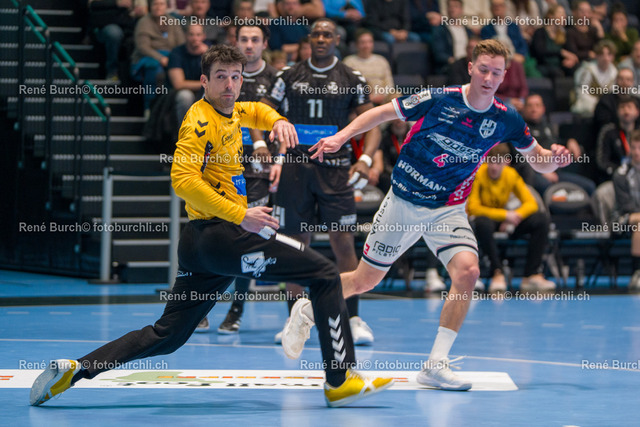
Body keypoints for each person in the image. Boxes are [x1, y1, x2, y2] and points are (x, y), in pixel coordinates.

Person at [29, 44, 393, 408]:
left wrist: (277, 121)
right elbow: (183, 180)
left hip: (202, 245)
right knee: (326, 274)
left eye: (236, 77)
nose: (230, 85)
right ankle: (340, 380)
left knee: (168, 334)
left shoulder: (233, 110)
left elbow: (256, 110)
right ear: (204, 81)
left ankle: (76, 370)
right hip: (224, 235)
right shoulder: (199, 121)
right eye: (221, 77)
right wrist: (241, 215)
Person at [281, 39, 572, 390]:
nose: (488, 78)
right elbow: (382, 113)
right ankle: (306, 310)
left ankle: (435, 365)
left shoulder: (506, 118)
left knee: (468, 272)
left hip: (447, 209)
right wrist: (342, 137)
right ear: (471, 67)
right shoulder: (440, 98)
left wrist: (555, 159)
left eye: (496, 73)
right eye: (483, 69)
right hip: (404, 201)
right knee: (364, 280)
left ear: (504, 76)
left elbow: (539, 160)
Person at [262, 18, 381, 346]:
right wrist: (262, 142)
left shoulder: (351, 77)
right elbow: (262, 112)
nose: (321, 38)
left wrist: (366, 159)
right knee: (293, 244)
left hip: (336, 170)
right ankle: (294, 319)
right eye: (316, 33)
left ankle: (352, 318)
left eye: (327, 34)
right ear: (309, 38)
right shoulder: (288, 75)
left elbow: (373, 123)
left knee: (343, 243)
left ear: (337, 40)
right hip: (295, 169)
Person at [210, 24, 279, 334]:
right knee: (215, 235)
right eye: (243, 39)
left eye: (255, 39)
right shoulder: (221, 74)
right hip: (223, 168)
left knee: (248, 239)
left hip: (258, 171)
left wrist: (279, 160)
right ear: (235, 42)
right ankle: (202, 304)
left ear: (264, 43)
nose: (249, 44)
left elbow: (284, 123)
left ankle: (236, 310)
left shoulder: (277, 79)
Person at [467, 143, 555, 293]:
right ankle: (497, 273)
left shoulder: (511, 175)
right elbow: (473, 208)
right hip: (488, 219)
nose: (494, 167)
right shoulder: (479, 174)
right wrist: (505, 215)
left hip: (508, 220)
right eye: (491, 162)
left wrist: (516, 216)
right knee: (482, 222)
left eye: (498, 162)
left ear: (506, 162)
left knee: (541, 219)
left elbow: (531, 203)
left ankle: (531, 275)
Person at [518, 94, 595, 195]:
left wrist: (569, 141)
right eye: (530, 105)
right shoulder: (520, 129)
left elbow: (555, 142)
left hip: (555, 171)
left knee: (589, 186)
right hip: (534, 172)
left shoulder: (547, 125)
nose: (534, 109)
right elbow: (519, 157)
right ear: (523, 109)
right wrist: (542, 170)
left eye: (537, 105)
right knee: (547, 187)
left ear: (543, 109)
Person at [131, 0, 186, 113]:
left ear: (166, 6)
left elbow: (181, 44)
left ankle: (170, 108)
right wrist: (160, 58)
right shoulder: (143, 22)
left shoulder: (173, 21)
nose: (158, 7)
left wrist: (174, 58)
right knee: (154, 68)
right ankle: (149, 106)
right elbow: (143, 47)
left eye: (161, 4)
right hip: (148, 57)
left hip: (171, 56)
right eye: (155, 4)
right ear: (150, 6)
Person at [613, 129, 640, 291]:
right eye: (634, 147)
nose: (637, 152)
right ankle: (637, 272)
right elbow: (627, 208)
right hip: (622, 220)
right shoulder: (621, 174)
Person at [168, 23, 209, 125]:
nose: (195, 38)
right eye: (191, 34)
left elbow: (216, 78)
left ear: (204, 36)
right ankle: (185, 132)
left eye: (198, 35)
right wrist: (206, 84)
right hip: (181, 92)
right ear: (185, 35)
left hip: (205, 90)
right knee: (185, 96)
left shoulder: (210, 52)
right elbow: (178, 84)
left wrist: (207, 56)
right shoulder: (176, 53)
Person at [343, 29, 395, 105]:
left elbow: (389, 84)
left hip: (383, 98)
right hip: (361, 99)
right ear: (356, 45)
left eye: (369, 42)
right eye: (363, 42)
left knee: (396, 96)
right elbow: (347, 87)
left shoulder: (382, 60)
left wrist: (382, 95)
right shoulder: (349, 62)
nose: (366, 46)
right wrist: (368, 97)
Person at [596, 95, 640, 183]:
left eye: (629, 107)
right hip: (614, 179)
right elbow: (602, 162)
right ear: (617, 112)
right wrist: (621, 170)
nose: (626, 111)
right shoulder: (608, 131)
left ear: (637, 112)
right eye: (622, 107)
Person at [571, 40, 618, 117]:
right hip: (587, 105)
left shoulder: (614, 72)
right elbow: (582, 91)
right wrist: (596, 105)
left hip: (604, 105)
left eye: (609, 54)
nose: (605, 58)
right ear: (597, 56)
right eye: (602, 54)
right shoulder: (588, 70)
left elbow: (612, 92)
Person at [432, 0, 474, 74]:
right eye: (450, 6)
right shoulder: (440, 30)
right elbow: (438, 54)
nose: (452, 9)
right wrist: (452, 61)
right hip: (450, 67)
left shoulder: (468, 31)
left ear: (461, 10)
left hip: (468, 65)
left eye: (455, 6)